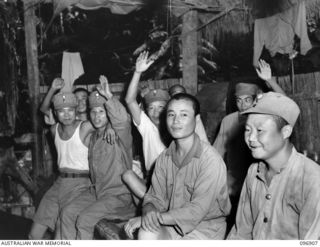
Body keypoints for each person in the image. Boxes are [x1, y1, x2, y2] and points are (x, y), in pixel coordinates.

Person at [127, 93, 230, 240]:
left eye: (184, 115)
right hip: (172, 224)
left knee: (147, 225)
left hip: (206, 228)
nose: (176, 121)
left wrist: (153, 219)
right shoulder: (164, 158)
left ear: (197, 119)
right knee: (146, 233)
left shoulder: (210, 159)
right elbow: (154, 196)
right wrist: (148, 209)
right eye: (171, 115)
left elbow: (196, 211)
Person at [228, 92, 320, 239]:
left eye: (259, 130)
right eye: (247, 130)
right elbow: (241, 232)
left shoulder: (312, 179)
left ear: (285, 132)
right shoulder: (253, 172)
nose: (251, 138)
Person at [58, 75, 136, 240]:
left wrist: (109, 96)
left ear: (108, 115)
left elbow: (122, 120)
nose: (97, 116)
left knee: (84, 220)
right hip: (97, 192)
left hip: (118, 195)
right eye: (93, 112)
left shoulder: (120, 136)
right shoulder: (93, 137)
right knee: (67, 212)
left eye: (102, 112)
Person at [213, 59, 285, 199]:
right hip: (233, 183)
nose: (243, 105)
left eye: (247, 100)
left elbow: (285, 105)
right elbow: (217, 152)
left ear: (255, 100)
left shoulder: (264, 118)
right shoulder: (228, 121)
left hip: (261, 180)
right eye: (239, 100)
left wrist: (270, 81)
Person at [29, 91, 93, 239]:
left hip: (80, 183)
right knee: (34, 235)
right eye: (61, 111)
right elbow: (43, 109)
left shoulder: (85, 127)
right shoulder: (53, 130)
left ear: (76, 110)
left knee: (61, 234)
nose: (67, 114)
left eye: (70, 110)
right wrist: (52, 88)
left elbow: (104, 121)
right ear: (55, 114)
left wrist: (109, 129)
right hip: (59, 183)